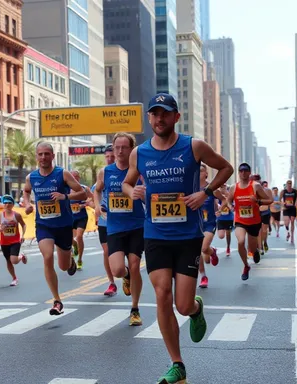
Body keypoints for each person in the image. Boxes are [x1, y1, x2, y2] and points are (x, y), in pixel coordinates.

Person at [121, 93, 234, 384]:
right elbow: (127, 181)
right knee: (161, 295)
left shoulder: (193, 146)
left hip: (187, 236)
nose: (159, 119)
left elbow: (226, 168)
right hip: (155, 234)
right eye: (155, 114)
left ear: (176, 117)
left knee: (182, 305)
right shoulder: (140, 153)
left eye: (165, 113)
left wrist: (205, 194)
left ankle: (196, 310)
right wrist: (131, 192)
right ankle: (177, 365)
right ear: (149, 118)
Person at [23, 142, 85, 315]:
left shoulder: (62, 174)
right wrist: (27, 204)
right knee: (48, 256)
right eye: (40, 154)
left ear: (52, 156)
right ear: (36, 156)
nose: (43, 157)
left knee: (64, 267)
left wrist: (64, 196)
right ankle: (57, 300)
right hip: (44, 225)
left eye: (47, 154)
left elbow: (82, 193)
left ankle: (71, 259)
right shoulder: (31, 177)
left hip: (64, 226)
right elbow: (26, 191)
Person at [94, 132, 145, 326]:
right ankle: (125, 277)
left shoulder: (139, 172)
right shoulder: (105, 172)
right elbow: (97, 190)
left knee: (134, 265)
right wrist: (98, 206)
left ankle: (135, 309)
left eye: (125, 147)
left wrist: (143, 194)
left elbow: (149, 191)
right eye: (117, 147)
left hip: (136, 225)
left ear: (131, 149)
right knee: (117, 269)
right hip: (114, 227)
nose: (120, 151)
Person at [226, 163, 273, 281]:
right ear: (238, 172)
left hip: (254, 222)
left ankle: (255, 251)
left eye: (245, 171)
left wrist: (257, 200)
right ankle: (246, 266)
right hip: (240, 220)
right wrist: (230, 206)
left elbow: (269, 200)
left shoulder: (255, 186)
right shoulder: (234, 187)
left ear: (249, 172)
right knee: (241, 241)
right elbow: (228, 200)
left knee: (251, 249)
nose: (243, 173)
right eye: (241, 171)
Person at [90, 145, 117, 296]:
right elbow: (95, 193)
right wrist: (97, 208)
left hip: (124, 220)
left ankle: (124, 273)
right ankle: (111, 282)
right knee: (106, 251)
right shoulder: (103, 174)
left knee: (122, 254)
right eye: (107, 156)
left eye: (112, 156)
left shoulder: (128, 172)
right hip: (105, 221)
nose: (110, 159)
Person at [197, 164, 225, 289]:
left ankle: (212, 251)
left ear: (206, 174)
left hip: (209, 223)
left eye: (201, 170)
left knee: (203, 248)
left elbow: (224, 200)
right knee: (196, 251)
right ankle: (203, 276)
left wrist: (220, 210)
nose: (198, 172)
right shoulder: (191, 187)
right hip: (195, 224)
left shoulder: (212, 188)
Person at [0, 195, 27, 286]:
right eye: (5, 203)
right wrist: (0, 229)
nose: (7, 205)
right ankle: (14, 278)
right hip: (4, 242)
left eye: (9, 203)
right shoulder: (0, 216)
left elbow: (23, 225)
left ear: (12, 205)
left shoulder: (17, 215)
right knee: (8, 261)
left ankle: (20, 256)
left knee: (14, 260)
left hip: (15, 241)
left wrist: (23, 235)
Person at [69, 170, 92, 270]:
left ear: (79, 178)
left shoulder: (84, 188)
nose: (75, 178)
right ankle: (74, 246)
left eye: (76, 176)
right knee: (70, 239)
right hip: (70, 218)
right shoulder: (67, 189)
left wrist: (84, 204)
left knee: (79, 237)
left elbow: (92, 197)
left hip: (82, 217)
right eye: (72, 176)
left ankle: (80, 259)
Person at [215, 184, 234, 256]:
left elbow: (232, 205)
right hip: (220, 218)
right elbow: (216, 204)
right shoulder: (217, 195)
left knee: (228, 233)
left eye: (224, 187)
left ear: (226, 187)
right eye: (221, 187)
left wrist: (229, 205)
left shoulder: (229, 195)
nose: (222, 188)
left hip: (229, 218)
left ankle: (228, 247)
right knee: (221, 236)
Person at [280, 180, 297, 244]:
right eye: (288, 184)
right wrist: (282, 203)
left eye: (290, 184)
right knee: (286, 222)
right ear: (286, 184)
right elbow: (279, 199)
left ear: (291, 184)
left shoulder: (295, 191)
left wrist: (296, 203)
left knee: (292, 221)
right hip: (286, 208)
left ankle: (292, 237)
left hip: (292, 208)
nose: (289, 185)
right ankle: (288, 232)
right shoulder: (283, 191)